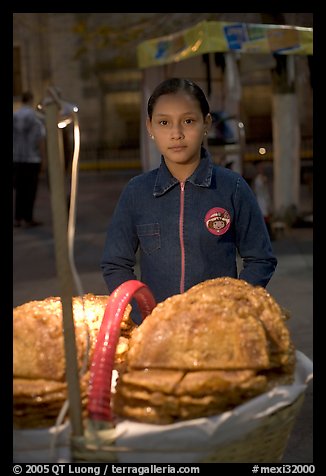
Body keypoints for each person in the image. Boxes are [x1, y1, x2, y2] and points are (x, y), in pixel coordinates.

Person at [101, 78, 277, 321]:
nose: (176, 133)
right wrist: (141, 314)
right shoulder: (136, 192)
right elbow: (115, 263)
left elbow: (261, 258)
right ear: (150, 127)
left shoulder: (232, 188)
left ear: (206, 123)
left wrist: (232, 306)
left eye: (188, 121)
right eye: (164, 122)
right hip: (156, 330)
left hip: (218, 327)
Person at [13, 91, 46, 228]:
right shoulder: (35, 117)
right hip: (32, 158)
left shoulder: (14, 116)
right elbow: (40, 139)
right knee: (30, 190)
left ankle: (17, 218)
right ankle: (28, 217)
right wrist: (43, 159)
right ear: (31, 100)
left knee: (19, 190)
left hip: (17, 158)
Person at [253, 160, 274, 239]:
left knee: (266, 217)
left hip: (264, 199)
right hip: (261, 199)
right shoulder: (258, 179)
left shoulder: (262, 177)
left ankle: (267, 234)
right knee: (264, 217)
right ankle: (267, 234)